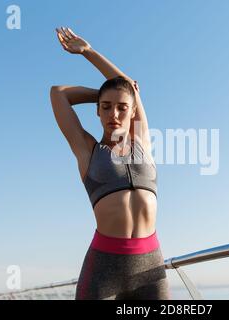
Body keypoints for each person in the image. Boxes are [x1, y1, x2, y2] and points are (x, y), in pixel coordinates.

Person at [50, 27, 171, 300]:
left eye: (121, 108)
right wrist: (109, 94)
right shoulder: (88, 150)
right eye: (105, 107)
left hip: (150, 265)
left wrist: (89, 52)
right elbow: (58, 93)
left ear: (131, 110)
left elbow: (131, 86)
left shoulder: (142, 142)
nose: (113, 114)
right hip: (104, 268)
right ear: (97, 110)